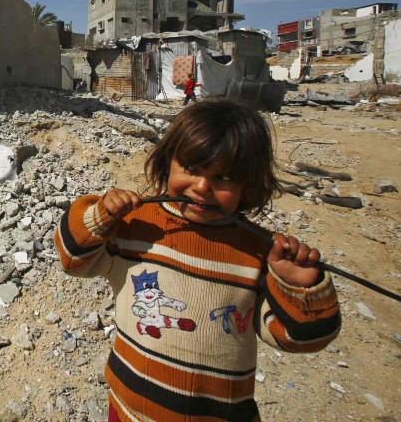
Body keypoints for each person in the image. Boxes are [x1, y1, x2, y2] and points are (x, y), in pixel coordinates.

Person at [55, 99, 340, 422]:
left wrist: (300, 287)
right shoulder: (136, 227)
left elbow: (296, 339)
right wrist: (100, 215)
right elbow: (72, 258)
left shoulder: (257, 252)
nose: (202, 187)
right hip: (130, 411)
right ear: (167, 163)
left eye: (224, 178)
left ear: (248, 184)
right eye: (190, 169)